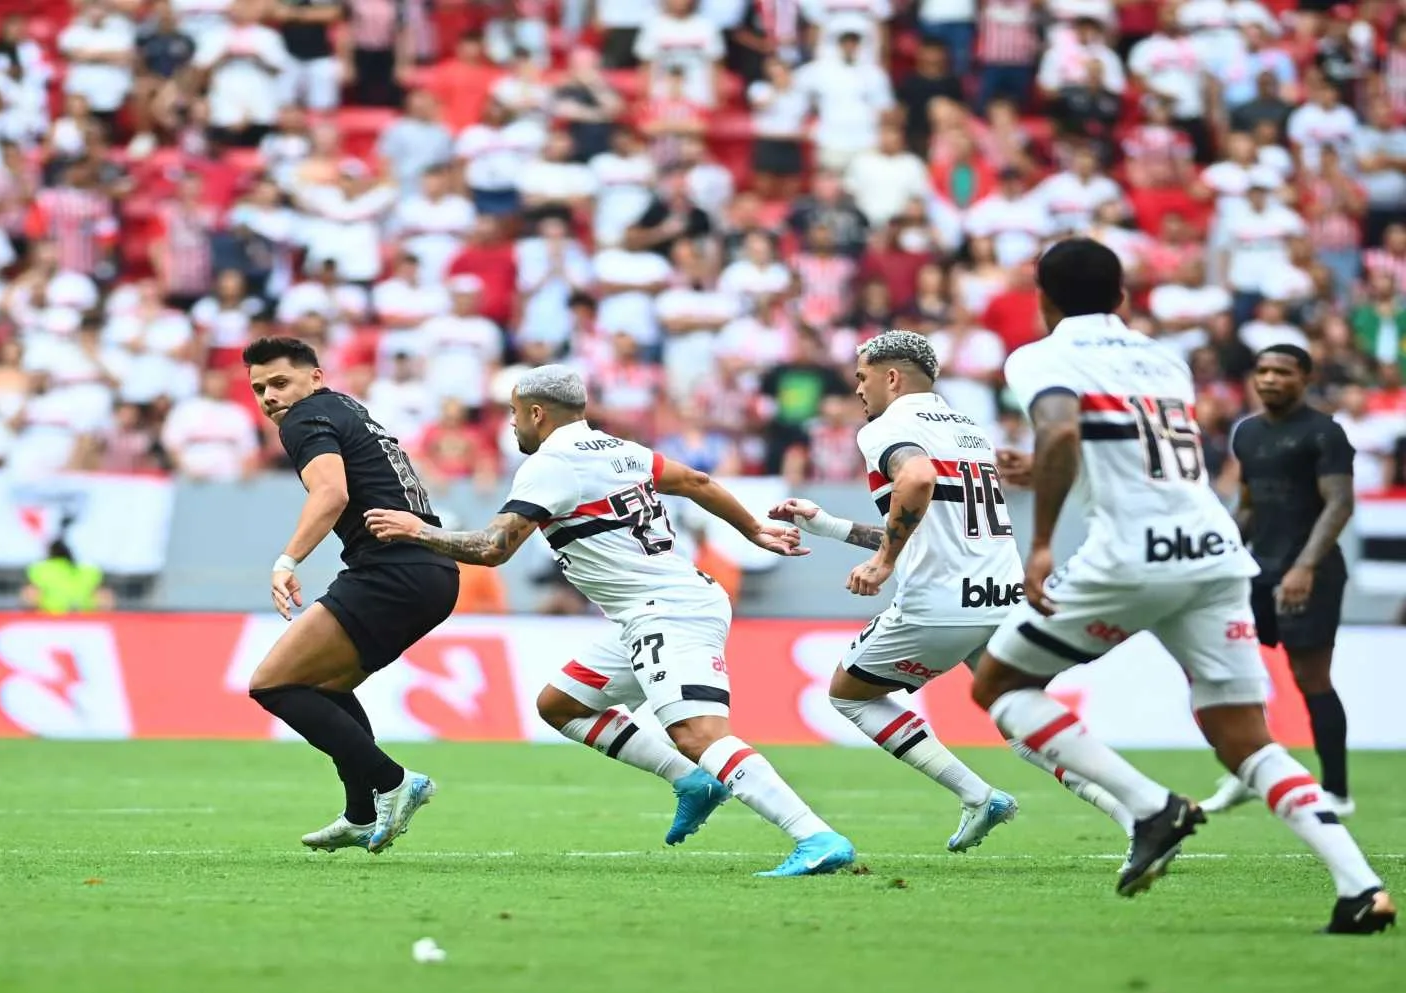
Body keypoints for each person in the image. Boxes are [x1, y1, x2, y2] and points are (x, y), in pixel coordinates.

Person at [970, 239, 1391, 934]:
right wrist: (1044, 465)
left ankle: (1148, 806)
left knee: (999, 685)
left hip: (1131, 558)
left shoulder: (1038, 356)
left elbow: (1063, 431)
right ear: (1124, 298)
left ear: (1041, 298)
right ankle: (1359, 887)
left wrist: (1041, 542)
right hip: (1215, 552)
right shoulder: (1161, 356)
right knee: (1244, 737)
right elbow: (1118, 445)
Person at [364, 366, 858, 877]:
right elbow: (696, 481)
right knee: (563, 703)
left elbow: (493, 548)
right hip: (662, 605)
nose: (511, 426)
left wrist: (416, 531)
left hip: (665, 610)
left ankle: (814, 835)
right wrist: (752, 528)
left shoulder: (551, 465)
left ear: (537, 413)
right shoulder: (621, 449)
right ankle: (692, 781)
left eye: (514, 414)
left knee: (697, 732)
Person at [770, 330, 1133, 852]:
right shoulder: (967, 428)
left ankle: (976, 794)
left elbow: (915, 479)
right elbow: (932, 526)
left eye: (861, 377)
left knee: (849, 696)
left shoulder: (888, 428)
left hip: (938, 606)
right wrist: (829, 525)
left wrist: (882, 562)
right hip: (1002, 600)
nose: (857, 390)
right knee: (1023, 719)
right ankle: (1137, 813)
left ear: (891, 377)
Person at [243, 336, 458, 854]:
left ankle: (393, 781)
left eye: (280, 382)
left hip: (393, 570)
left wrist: (287, 560)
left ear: (315, 377)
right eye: (259, 389)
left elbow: (332, 492)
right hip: (431, 571)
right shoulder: (347, 408)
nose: (270, 397)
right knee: (323, 686)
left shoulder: (305, 416)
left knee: (272, 684)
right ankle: (361, 813)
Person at [1205, 346, 1358, 815]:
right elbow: (1249, 504)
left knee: (1309, 676)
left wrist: (1304, 566)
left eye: (1282, 372)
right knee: (1226, 670)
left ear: (1305, 378)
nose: (1270, 379)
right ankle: (1253, 769)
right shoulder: (1247, 432)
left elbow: (1339, 503)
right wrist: (1222, 555)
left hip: (1312, 573)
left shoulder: (1324, 433)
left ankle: (1336, 790)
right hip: (1257, 570)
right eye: (1264, 370)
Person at [22, 537, 117, 615]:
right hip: (85, 620)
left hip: (50, 619)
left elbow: (31, 596)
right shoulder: (90, 570)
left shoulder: (41, 569)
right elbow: (106, 600)